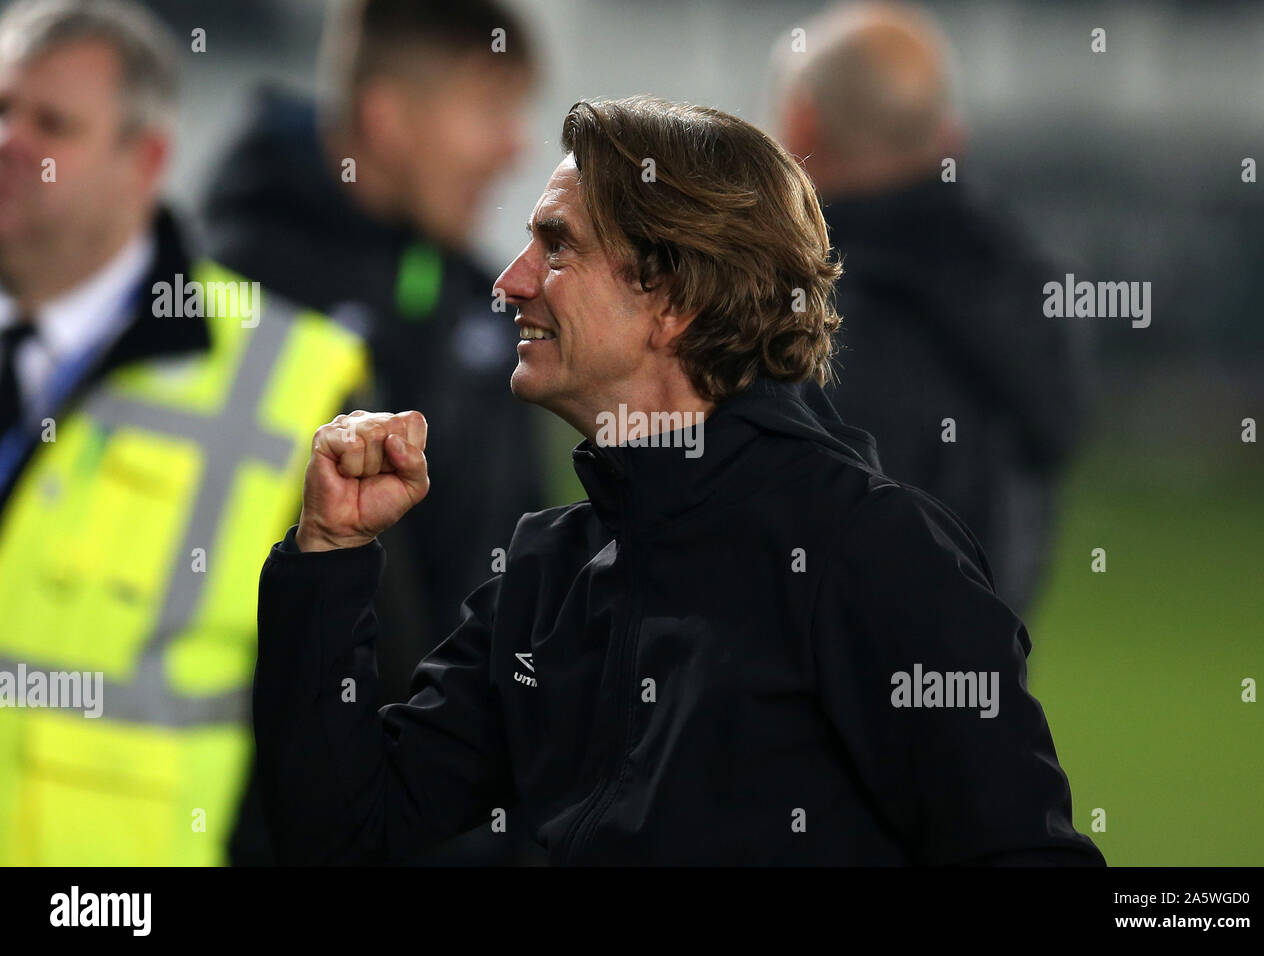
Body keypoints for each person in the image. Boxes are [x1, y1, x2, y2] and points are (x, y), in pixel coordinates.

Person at [254, 95, 1105, 866]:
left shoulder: (869, 550)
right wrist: (330, 554)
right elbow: (340, 830)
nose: (510, 283)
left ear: (675, 299)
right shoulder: (548, 572)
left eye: (556, 246)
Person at [0, 0, 366, 865]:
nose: (10, 140)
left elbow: (348, 720)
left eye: (50, 122)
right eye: (0, 108)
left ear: (147, 160)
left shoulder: (297, 378)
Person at [202, 0, 549, 864]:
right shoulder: (228, 303)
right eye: (488, 110)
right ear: (388, 119)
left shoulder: (480, 302)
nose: (513, 148)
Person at [771, 1, 1083, 614]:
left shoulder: (802, 309)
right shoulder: (1022, 286)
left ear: (801, 126)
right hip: (980, 688)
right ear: (949, 138)